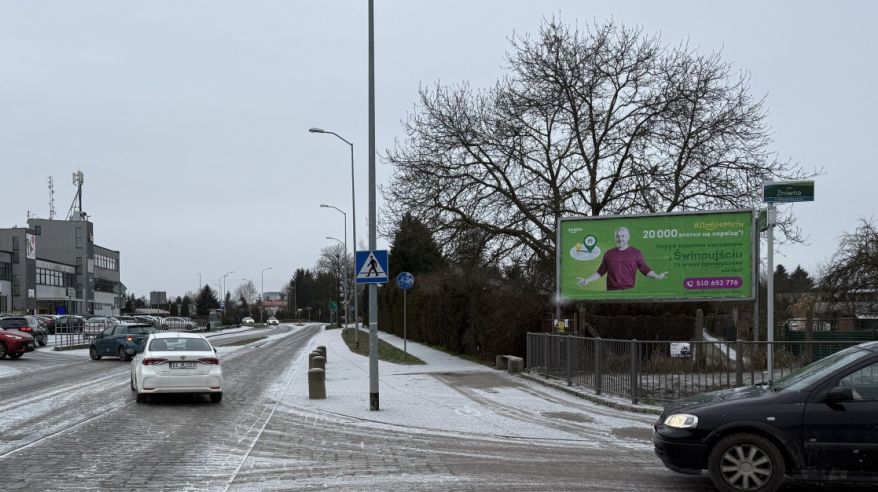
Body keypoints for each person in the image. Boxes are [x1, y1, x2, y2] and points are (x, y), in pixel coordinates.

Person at [576, 226, 668, 290]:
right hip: (611, 293)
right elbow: (600, 272)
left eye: (623, 236)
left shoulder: (636, 253)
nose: (620, 239)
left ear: (628, 237)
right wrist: (587, 280)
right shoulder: (608, 254)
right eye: (618, 236)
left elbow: (645, 269)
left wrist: (657, 276)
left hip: (629, 292)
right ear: (615, 238)